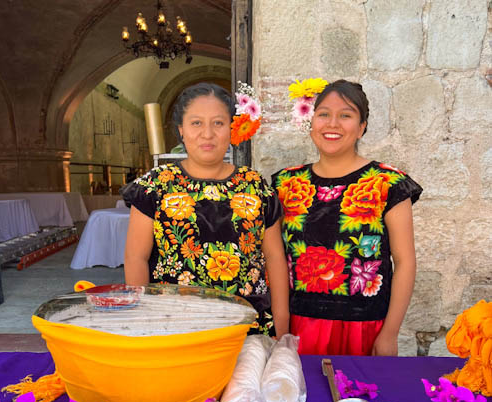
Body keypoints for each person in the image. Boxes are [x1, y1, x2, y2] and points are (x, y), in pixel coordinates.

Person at [122, 82, 289, 338]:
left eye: (218, 123)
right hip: (174, 327)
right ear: (181, 130)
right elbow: (136, 258)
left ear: (232, 129)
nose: (207, 134)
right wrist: (145, 321)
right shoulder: (155, 185)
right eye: (196, 123)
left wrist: (281, 324)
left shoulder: (255, 185)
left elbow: (275, 258)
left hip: (248, 327)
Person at [272, 79, 422, 356]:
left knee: (362, 398)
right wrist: (281, 333)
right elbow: (276, 261)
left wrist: (389, 334)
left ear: (361, 127)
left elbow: (405, 262)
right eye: (324, 114)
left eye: (346, 115)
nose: (333, 123)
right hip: (301, 326)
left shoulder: (387, 184)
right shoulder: (285, 185)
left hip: (365, 326)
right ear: (311, 120)